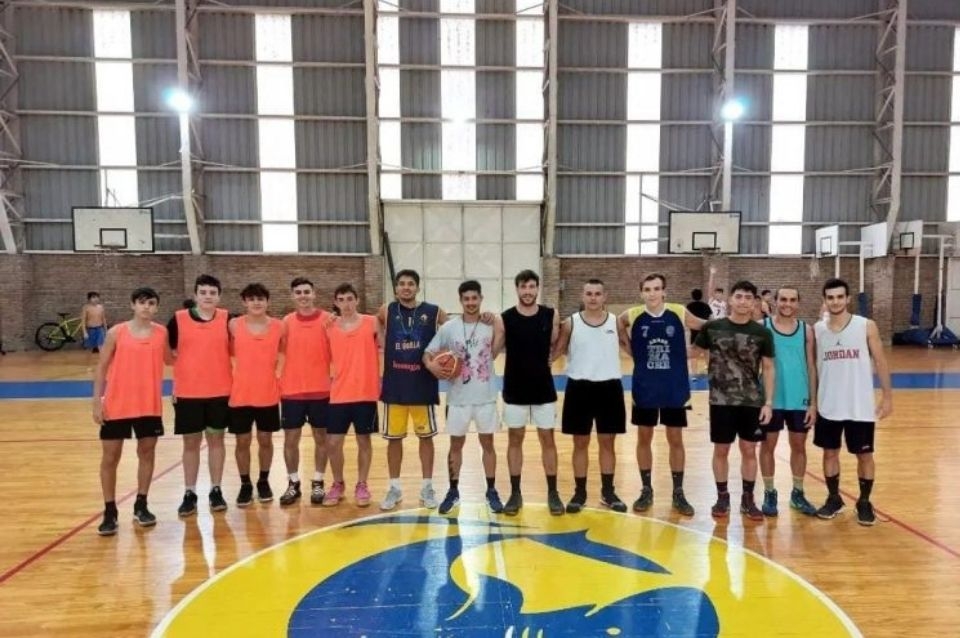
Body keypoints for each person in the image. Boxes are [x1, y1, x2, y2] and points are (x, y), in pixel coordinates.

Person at [619, 273, 705, 517]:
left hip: (674, 386)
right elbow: (617, 325)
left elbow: (705, 326)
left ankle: (678, 492)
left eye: (657, 288)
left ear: (664, 291)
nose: (652, 293)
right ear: (641, 293)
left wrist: (696, 349)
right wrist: (629, 348)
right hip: (645, 387)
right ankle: (646, 489)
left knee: (675, 439)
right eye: (647, 289)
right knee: (644, 438)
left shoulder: (678, 311)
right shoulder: (633, 314)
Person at [693, 280, 775, 521]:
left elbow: (768, 368)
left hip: (751, 401)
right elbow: (693, 352)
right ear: (730, 299)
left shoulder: (762, 333)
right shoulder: (712, 327)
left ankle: (748, 499)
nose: (743, 301)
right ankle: (722, 497)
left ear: (754, 302)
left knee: (749, 450)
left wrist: (768, 403)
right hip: (721, 401)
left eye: (748, 297)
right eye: (738, 296)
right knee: (721, 449)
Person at [814, 278, 893, 526]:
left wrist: (887, 396)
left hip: (859, 405)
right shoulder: (817, 330)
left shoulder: (865, 325)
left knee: (864, 455)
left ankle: (864, 501)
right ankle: (834, 498)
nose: (835, 301)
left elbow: (880, 361)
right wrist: (812, 402)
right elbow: (813, 368)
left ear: (848, 299)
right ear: (824, 300)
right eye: (830, 297)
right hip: (828, 403)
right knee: (829, 453)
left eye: (840, 296)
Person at [93, 287, 170, 536]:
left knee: (146, 453)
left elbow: (172, 359)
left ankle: (141, 504)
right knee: (110, 458)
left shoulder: (161, 332)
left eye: (151, 303)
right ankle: (110, 511)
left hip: (149, 405)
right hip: (117, 405)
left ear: (156, 307)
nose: (146, 307)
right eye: (142, 302)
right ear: (132, 305)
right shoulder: (116, 332)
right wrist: (96, 402)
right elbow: (101, 367)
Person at [424, 280, 505, 515]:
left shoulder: (490, 325)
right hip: (457, 399)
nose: (470, 302)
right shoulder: (449, 328)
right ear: (460, 301)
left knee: (488, 444)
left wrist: (496, 320)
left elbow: (496, 350)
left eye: (474, 298)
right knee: (455, 445)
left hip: (485, 397)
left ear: (481, 299)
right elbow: (428, 353)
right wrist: (431, 366)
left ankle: (491, 491)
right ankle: (453, 491)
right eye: (466, 299)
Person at [554, 279, 628, 514]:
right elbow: (557, 351)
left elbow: (631, 348)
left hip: (609, 387)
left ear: (605, 296)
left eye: (597, 293)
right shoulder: (571, 323)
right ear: (582, 296)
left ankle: (608, 492)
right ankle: (580, 492)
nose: (593, 298)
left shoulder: (615, 322)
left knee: (607, 442)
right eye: (589, 293)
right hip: (579, 387)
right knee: (580, 443)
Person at [378, 269, 445, 511]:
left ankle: (427, 487)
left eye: (410, 284)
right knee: (394, 440)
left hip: (422, 386)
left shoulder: (433, 311)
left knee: (426, 438)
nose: (406, 287)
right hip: (395, 386)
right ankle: (394, 488)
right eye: (402, 284)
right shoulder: (386, 310)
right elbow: (373, 324)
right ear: (396, 288)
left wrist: (440, 354)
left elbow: (452, 329)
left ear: (418, 287)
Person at [169, 274, 233, 517]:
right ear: (195, 295)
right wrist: (176, 384)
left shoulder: (228, 319)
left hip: (220, 391)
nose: (208, 297)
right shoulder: (178, 319)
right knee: (191, 444)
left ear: (219, 296)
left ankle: (216, 489)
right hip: (188, 393)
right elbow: (168, 353)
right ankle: (190, 492)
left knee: (216, 441)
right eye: (203, 292)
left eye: (212, 293)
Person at [500, 270, 561, 516]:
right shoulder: (505, 318)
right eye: (523, 287)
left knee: (548, 440)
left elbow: (557, 342)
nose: (527, 291)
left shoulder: (550, 315)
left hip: (543, 388)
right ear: (517, 289)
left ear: (538, 288)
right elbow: (494, 346)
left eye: (532, 286)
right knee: (515, 440)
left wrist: (554, 356)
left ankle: (553, 492)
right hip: (515, 389)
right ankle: (515, 493)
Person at [759, 287, 818, 517]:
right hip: (771, 399)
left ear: (798, 303)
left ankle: (798, 493)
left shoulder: (806, 330)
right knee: (768, 447)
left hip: (798, 398)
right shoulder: (763, 327)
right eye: (783, 299)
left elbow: (811, 366)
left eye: (793, 300)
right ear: (775, 301)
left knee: (799, 446)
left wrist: (812, 402)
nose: (788, 304)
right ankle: (769, 492)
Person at [323, 283, 381, 508]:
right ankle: (338, 483)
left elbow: (386, 341)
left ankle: (362, 484)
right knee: (333, 442)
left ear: (357, 300)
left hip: (365, 393)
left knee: (363, 440)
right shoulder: (329, 326)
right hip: (339, 392)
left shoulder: (371, 322)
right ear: (335, 302)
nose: (346, 304)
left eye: (349, 299)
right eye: (341, 300)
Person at [278, 277, 333, 507]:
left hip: (321, 391)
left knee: (322, 438)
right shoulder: (286, 322)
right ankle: (293, 482)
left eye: (306, 292)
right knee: (291, 440)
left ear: (314, 293)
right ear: (293, 296)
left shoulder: (328, 320)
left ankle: (318, 481)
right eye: (298, 292)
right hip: (292, 392)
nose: (303, 296)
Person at [228, 284, 284, 507]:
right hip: (240, 394)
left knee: (265, 440)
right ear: (244, 302)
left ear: (267, 302)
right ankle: (245, 484)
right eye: (251, 299)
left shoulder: (279, 326)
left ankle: (263, 481)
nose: (256, 303)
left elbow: (288, 352)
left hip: (267, 393)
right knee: (242, 441)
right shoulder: (234, 325)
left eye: (261, 299)